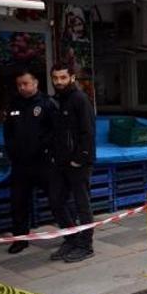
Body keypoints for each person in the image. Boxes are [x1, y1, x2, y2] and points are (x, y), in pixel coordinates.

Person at [2, 68, 55, 254]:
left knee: (57, 200)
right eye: (19, 85)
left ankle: (71, 235)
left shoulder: (47, 104)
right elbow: (8, 132)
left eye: (25, 83)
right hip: (20, 165)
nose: (22, 87)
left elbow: (54, 131)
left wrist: (45, 150)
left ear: (35, 83)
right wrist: (12, 151)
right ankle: (20, 239)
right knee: (18, 203)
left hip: (43, 163)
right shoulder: (13, 105)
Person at [48, 62, 96, 263]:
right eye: (55, 78)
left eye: (63, 78)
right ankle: (71, 238)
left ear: (72, 78)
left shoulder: (79, 99)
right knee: (56, 202)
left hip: (78, 164)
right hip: (59, 163)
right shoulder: (55, 101)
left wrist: (80, 159)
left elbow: (88, 132)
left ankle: (86, 246)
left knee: (82, 205)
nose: (59, 82)